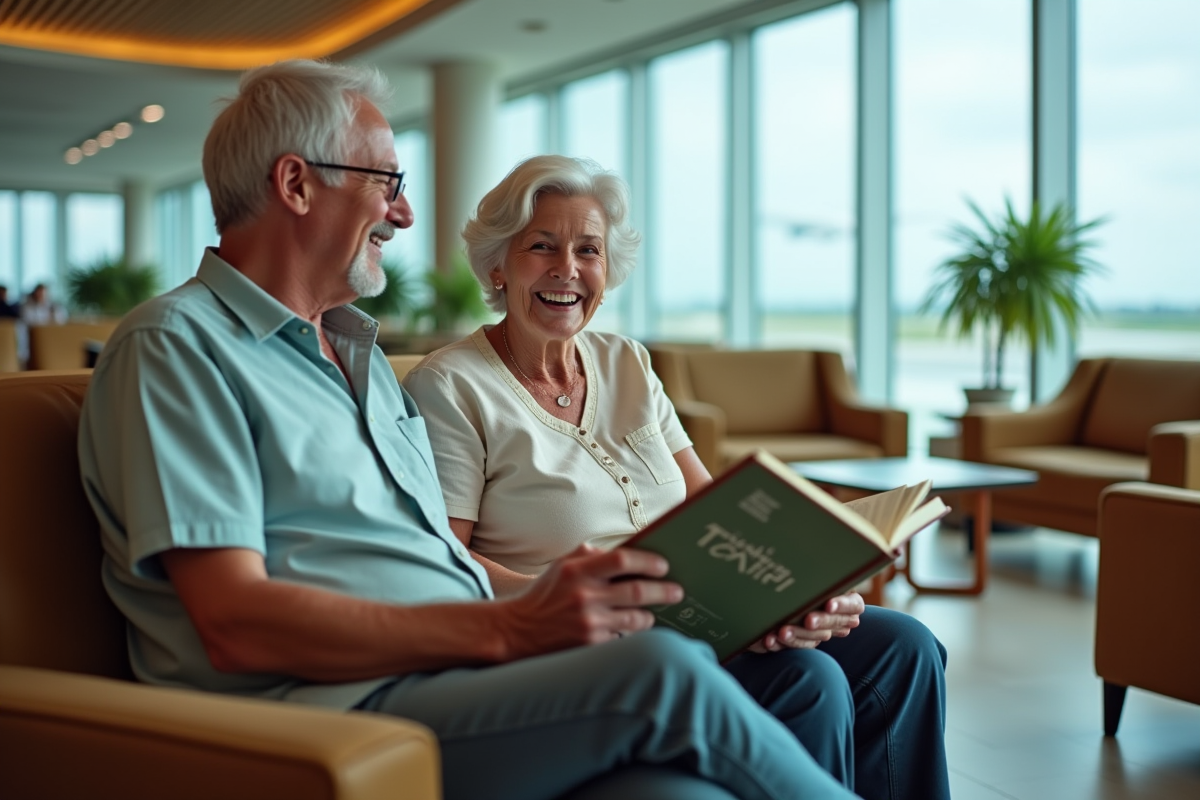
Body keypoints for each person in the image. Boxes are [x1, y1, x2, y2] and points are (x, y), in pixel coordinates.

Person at [78, 59, 859, 800]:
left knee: (719, 745)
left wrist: (578, 594)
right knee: (658, 671)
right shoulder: (177, 347)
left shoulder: (358, 360)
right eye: (388, 182)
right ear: (296, 184)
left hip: (450, 670)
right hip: (331, 705)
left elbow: (440, 557)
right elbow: (235, 623)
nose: (405, 213)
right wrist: (510, 626)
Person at [402, 155, 951, 800]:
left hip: (703, 611)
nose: (568, 269)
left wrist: (796, 593)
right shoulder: (450, 385)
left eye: (589, 250)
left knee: (907, 647)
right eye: (541, 247)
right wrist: (560, 602)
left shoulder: (626, 360)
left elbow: (713, 503)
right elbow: (446, 556)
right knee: (812, 680)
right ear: (498, 263)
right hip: (589, 635)